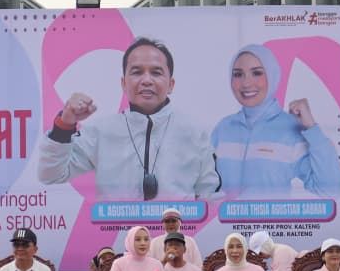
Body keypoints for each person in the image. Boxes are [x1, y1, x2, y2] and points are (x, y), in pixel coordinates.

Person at [38, 37, 220, 200]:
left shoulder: (195, 133)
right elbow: (50, 175)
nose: (146, 80)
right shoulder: (100, 132)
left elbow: (210, 196)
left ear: (170, 85)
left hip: (176, 228)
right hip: (116, 228)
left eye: (156, 72)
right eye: (137, 72)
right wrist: (65, 124)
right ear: (123, 83)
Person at [211, 44, 340, 199]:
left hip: (272, 216)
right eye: (238, 74)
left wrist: (312, 128)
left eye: (257, 73)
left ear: (272, 75)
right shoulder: (223, 128)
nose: (246, 83)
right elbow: (205, 186)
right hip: (224, 216)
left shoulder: (290, 129)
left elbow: (333, 190)